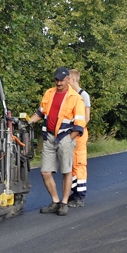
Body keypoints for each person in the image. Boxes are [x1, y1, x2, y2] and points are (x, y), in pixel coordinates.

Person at [28, 67, 86, 216]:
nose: (59, 83)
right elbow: (40, 113)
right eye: (57, 80)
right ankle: (55, 201)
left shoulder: (76, 98)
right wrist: (28, 122)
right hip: (49, 137)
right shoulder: (49, 93)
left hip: (65, 137)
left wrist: (69, 139)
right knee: (45, 172)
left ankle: (64, 203)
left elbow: (80, 123)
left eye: (61, 80)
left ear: (68, 79)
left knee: (66, 171)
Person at [67, 69, 90, 207]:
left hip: (79, 135)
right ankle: (74, 193)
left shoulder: (83, 95)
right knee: (70, 165)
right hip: (71, 134)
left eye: (67, 80)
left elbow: (86, 117)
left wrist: (77, 130)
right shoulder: (70, 96)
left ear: (73, 80)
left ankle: (80, 196)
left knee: (79, 164)